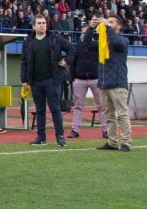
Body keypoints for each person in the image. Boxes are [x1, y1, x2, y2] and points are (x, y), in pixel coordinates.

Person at [20, 15, 75, 147]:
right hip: (36, 82)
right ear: (34, 26)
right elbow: (24, 62)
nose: (41, 25)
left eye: (44, 23)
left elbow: (72, 49)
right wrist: (24, 80)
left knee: (55, 109)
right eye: (39, 23)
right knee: (40, 110)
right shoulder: (28, 42)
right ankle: (41, 137)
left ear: (47, 25)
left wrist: (66, 60)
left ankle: (60, 136)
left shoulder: (55, 38)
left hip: (52, 80)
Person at [86, 16, 132, 152]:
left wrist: (106, 27)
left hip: (118, 83)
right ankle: (112, 142)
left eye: (111, 22)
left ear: (118, 27)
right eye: (107, 22)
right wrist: (90, 28)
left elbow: (117, 43)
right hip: (104, 83)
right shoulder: (102, 41)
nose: (107, 24)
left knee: (122, 114)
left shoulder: (123, 40)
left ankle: (126, 143)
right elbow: (87, 45)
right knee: (109, 115)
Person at [68, 24, 106, 139]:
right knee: (78, 106)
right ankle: (75, 130)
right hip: (80, 80)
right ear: (81, 34)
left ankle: (106, 130)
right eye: (84, 33)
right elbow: (73, 64)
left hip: (96, 79)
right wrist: (72, 79)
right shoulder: (77, 47)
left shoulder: (97, 46)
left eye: (87, 33)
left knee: (102, 105)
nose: (85, 35)